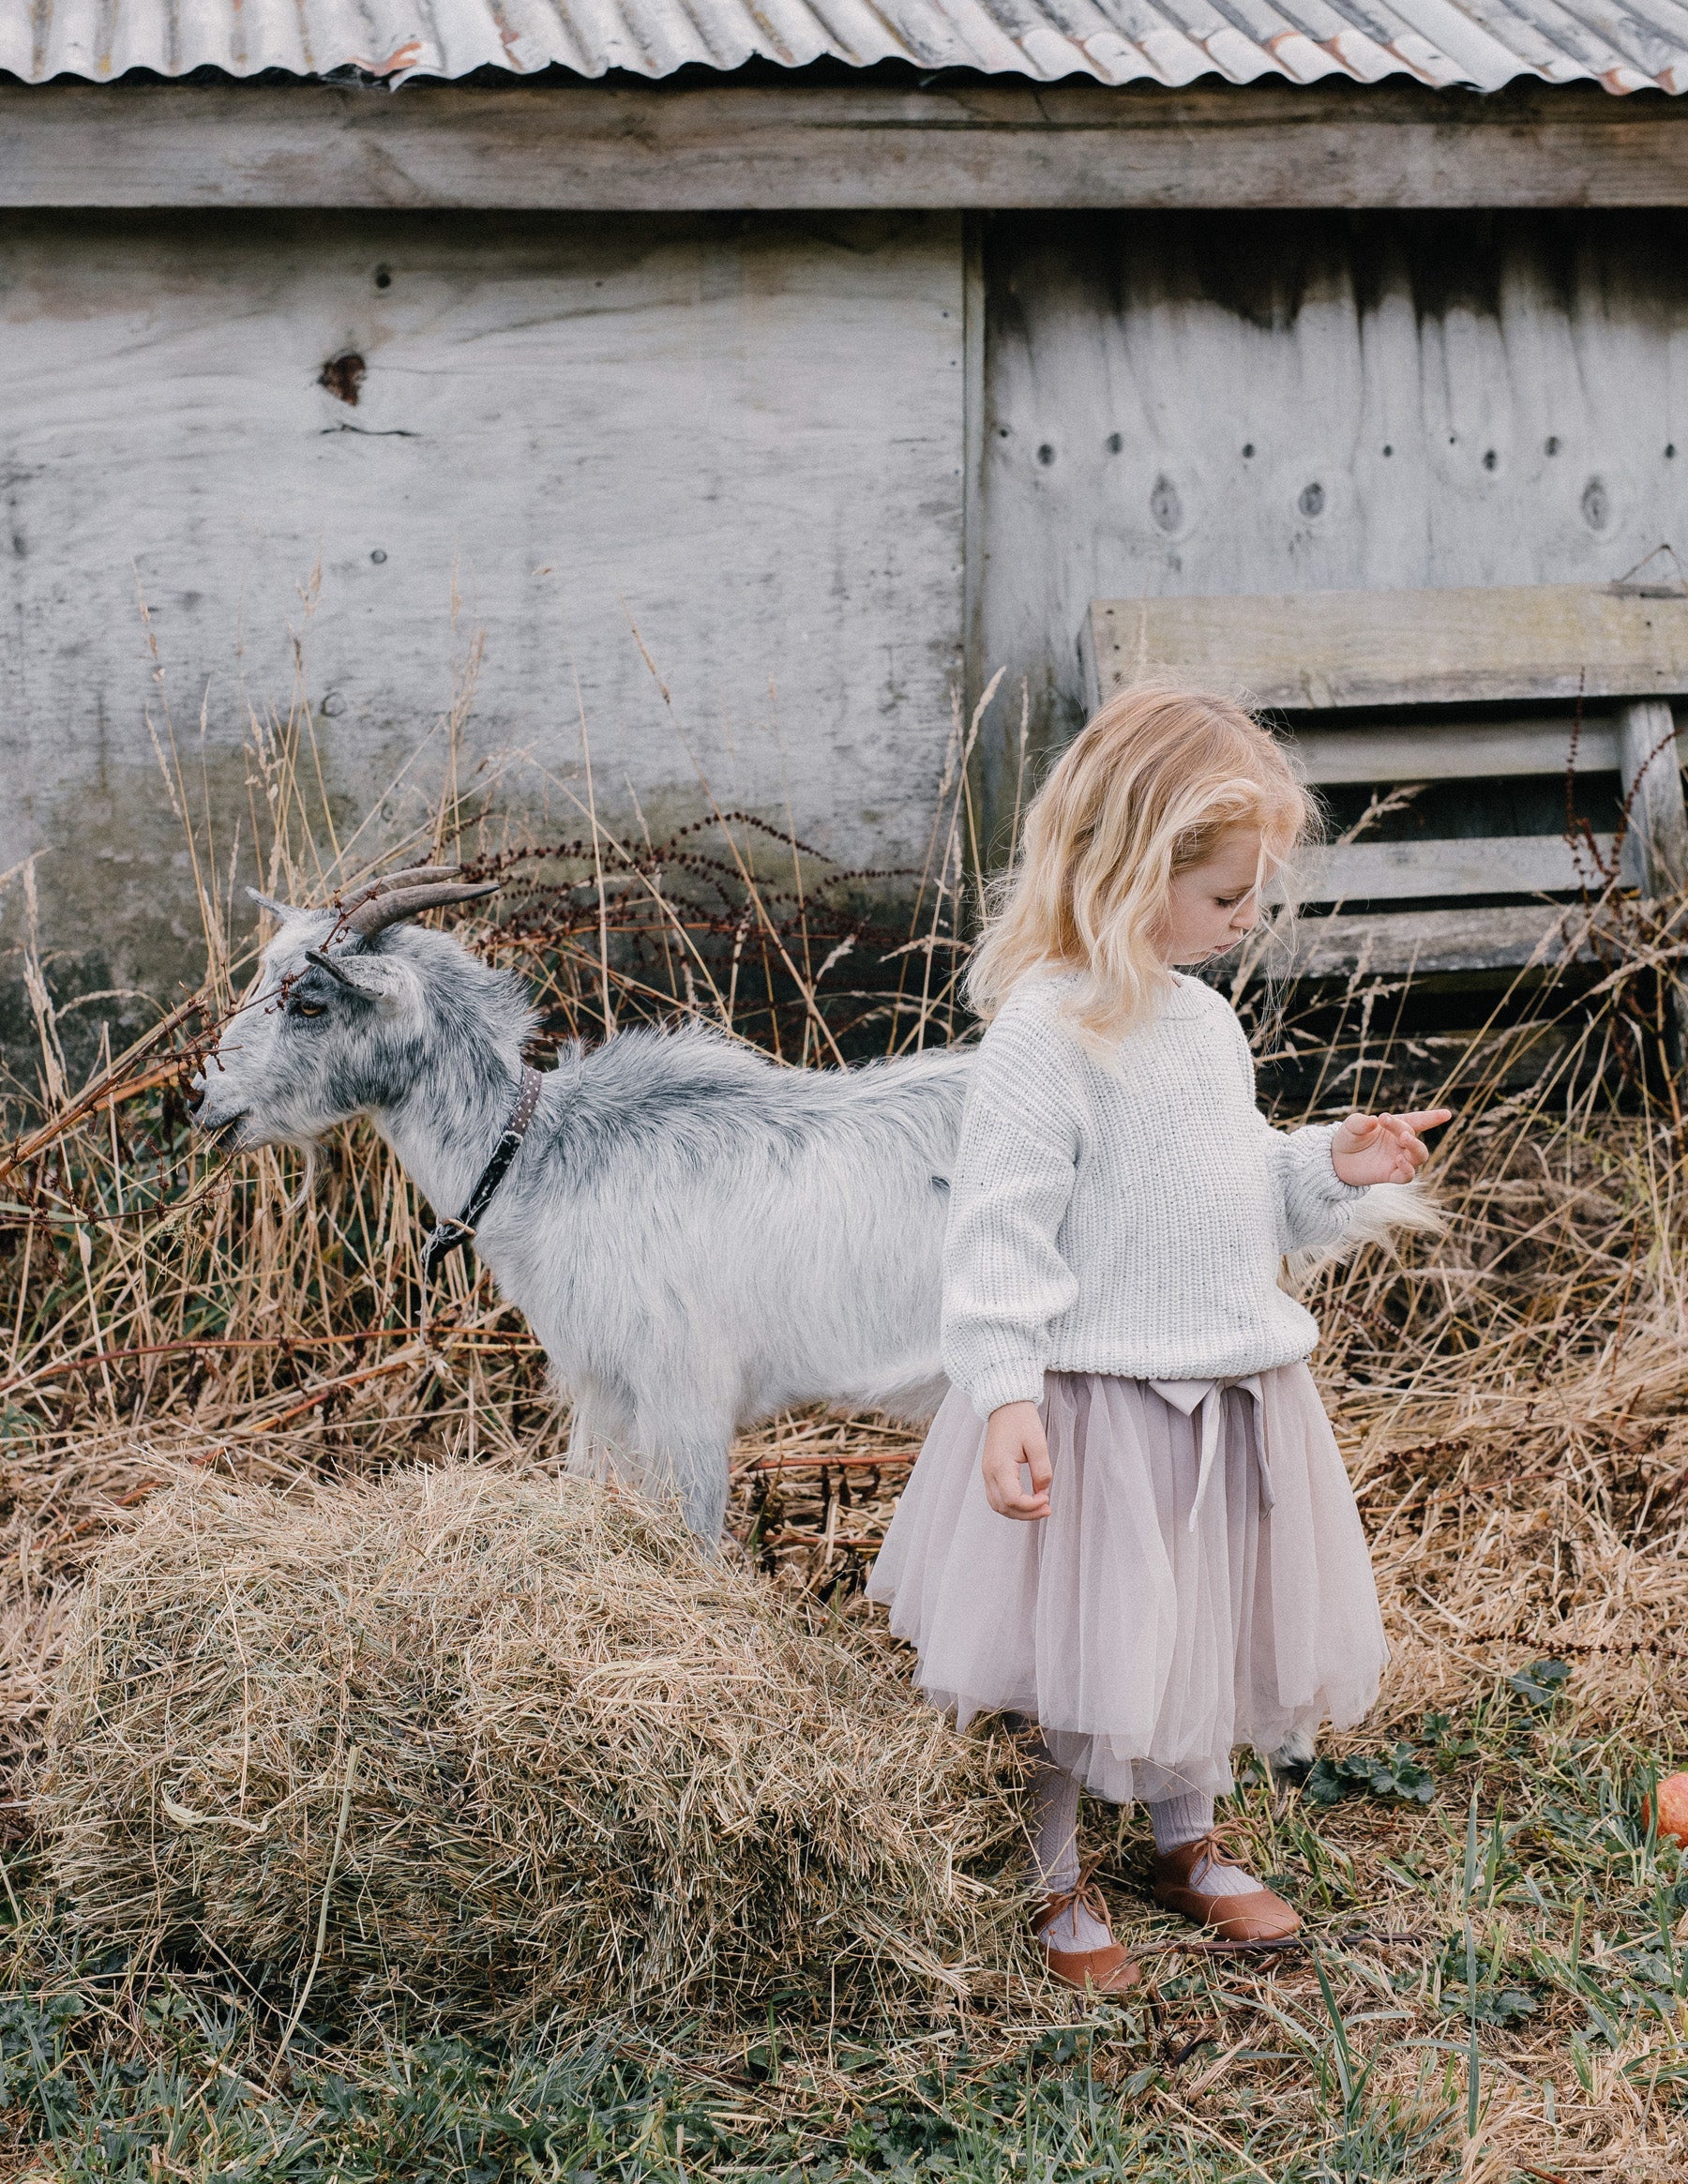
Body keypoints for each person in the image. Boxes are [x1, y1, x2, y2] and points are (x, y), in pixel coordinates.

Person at [867, 683, 1448, 1994]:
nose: (1247, 922)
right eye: (1229, 896)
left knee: (1200, 1621)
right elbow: (999, 1233)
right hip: (1098, 1404)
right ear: (1136, 867)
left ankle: (1187, 1833)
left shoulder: (1205, 1019)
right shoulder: (1046, 1033)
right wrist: (1007, 1391)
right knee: (1086, 1646)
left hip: (1231, 1381)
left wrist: (1329, 1165)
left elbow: (1234, 1186)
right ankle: (1056, 1864)